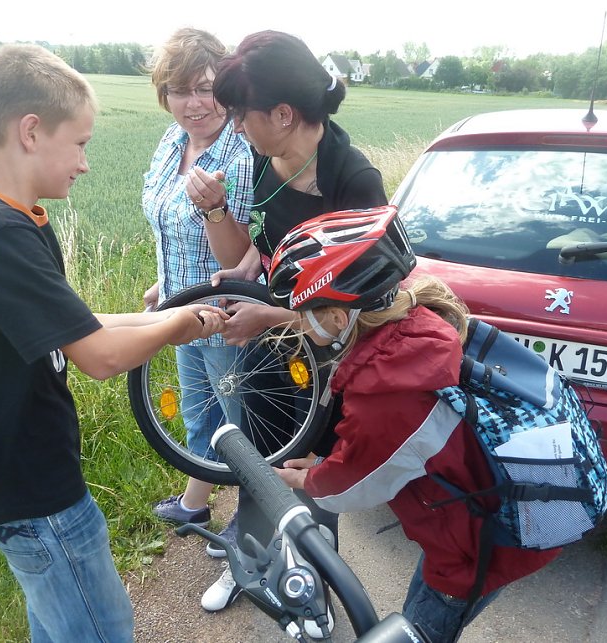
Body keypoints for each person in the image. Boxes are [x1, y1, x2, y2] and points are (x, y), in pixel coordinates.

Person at [0, 43, 227, 643]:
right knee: (100, 630)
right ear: (31, 131)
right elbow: (100, 356)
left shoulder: (20, 219)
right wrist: (184, 327)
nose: (85, 163)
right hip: (28, 487)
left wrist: (175, 310)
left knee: (65, 626)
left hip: (33, 476)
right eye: (81, 143)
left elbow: (79, 324)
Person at [268, 205, 562, 643]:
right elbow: (382, 448)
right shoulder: (411, 329)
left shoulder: (389, 395)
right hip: (476, 517)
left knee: (421, 627)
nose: (298, 326)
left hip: (474, 547)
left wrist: (305, 479)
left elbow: (345, 488)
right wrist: (331, 457)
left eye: (302, 314)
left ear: (336, 317)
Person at [195, 29, 388, 622]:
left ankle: (314, 596)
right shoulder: (262, 160)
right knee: (257, 459)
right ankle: (245, 565)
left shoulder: (355, 182)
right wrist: (215, 210)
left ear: (283, 113)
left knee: (311, 478)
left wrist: (270, 314)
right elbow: (254, 254)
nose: (234, 128)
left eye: (240, 114)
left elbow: (365, 305)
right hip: (272, 351)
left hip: (331, 360)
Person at [142, 27, 253, 554]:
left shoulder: (242, 151)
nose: (193, 103)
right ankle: (195, 500)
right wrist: (163, 283)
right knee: (199, 413)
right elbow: (166, 223)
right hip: (182, 310)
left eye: (206, 87)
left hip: (231, 317)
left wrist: (214, 210)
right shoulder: (172, 143)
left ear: (226, 90)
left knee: (243, 422)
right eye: (179, 89)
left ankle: (254, 518)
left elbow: (243, 259)